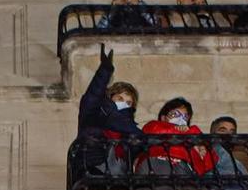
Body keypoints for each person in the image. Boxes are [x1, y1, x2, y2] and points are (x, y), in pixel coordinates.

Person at [76, 47, 143, 176]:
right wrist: (105, 70)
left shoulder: (131, 129)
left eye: (128, 103)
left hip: (119, 177)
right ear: (110, 97)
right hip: (91, 169)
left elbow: (139, 146)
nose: (124, 103)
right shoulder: (95, 112)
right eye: (120, 98)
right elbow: (92, 96)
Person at [140, 98, 215, 178]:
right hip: (156, 165)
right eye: (175, 114)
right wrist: (185, 132)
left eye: (185, 117)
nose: (180, 119)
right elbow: (151, 130)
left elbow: (209, 163)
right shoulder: (154, 125)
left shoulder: (192, 138)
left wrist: (203, 150)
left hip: (184, 172)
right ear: (163, 118)